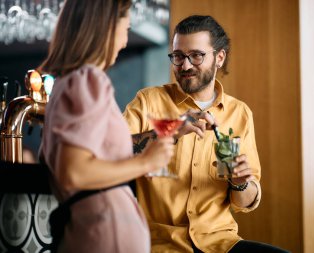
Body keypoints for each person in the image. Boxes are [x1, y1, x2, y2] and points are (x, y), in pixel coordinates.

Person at [124, 15, 289, 253]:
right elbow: (111, 149)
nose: (186, 65)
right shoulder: (148, 101)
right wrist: (171, 131)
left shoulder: (239, 114)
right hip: (161, 244)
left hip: (220, 243)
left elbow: (245, 201)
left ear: (219, 57)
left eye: (196, 56)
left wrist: (240, 183)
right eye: (178, 56)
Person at [38, 1, 174, 252]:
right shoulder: (88, 80)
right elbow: (74, 172)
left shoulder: (64, 86)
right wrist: (146, 162)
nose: (124, 42)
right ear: (107, 26)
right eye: (126, 29)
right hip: (106, 233)